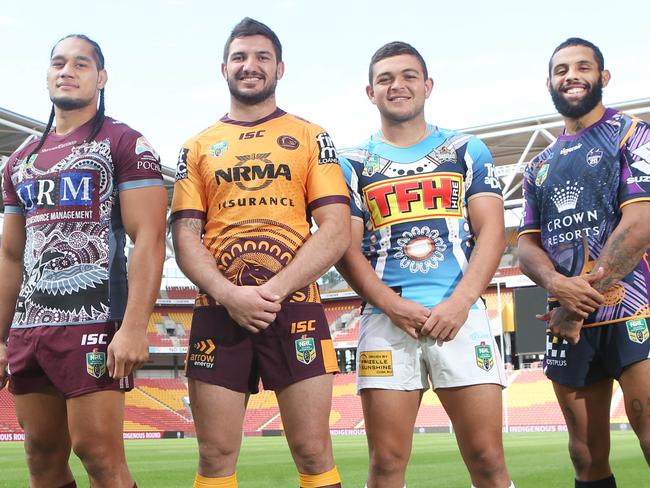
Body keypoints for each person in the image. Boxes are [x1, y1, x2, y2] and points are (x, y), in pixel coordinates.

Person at [170, 17, 349, 488]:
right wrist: (230, 294)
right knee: (215, 456)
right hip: (217, 308)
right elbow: (185, 237)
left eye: (261, 57)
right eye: (240, 58)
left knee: (313, 450)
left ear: (280, 68)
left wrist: (270, 291)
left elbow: (334, 231)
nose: (250, 66)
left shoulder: (313, 136)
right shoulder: (196, 147)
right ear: (223, 68)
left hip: (295, 307)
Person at [336, 41, 513, 488]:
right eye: (385, 79)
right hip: (385, 322)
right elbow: (345, 249)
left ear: (428, 85)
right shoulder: (352, 163)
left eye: (408, 75)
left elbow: (492, 232)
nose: (397, 85)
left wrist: (460, 303)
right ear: (369, 92)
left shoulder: (466, 149)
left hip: (462, 317)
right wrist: (392, 306)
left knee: (488, 458)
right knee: (386, 463)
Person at [0, 34, 167, 488]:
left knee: (97, 453)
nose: (67, 71)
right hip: (30, 326)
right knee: (41, 456)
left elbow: (149, 239)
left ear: (101, 77)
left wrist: (134, 327)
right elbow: (11, 255)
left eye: (81, 63)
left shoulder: (124, 142)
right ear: (47, 74)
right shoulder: (20, 160)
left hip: (94, 317)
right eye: (58, 63)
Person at [518, 37, 650, 487]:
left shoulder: (633, 135)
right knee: (585, 456)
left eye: (583, 67)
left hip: (635, 309)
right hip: (569, 321)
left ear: (603, 77)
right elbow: (526, 246)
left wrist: (573, 303)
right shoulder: (539, 164)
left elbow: (640, 224)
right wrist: (556, 281)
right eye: (560, 70)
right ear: (550, 83)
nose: (571, 76)